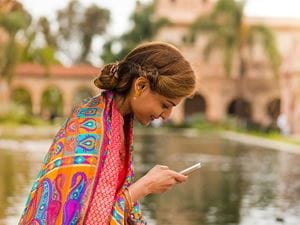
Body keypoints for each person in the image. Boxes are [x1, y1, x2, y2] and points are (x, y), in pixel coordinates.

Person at [19, 41, 196, 225]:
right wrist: (145, 186)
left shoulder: (116, 121)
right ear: (141, 86)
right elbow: (87, 220)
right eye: (165, 105)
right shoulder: (90, 129)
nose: (166, 115)